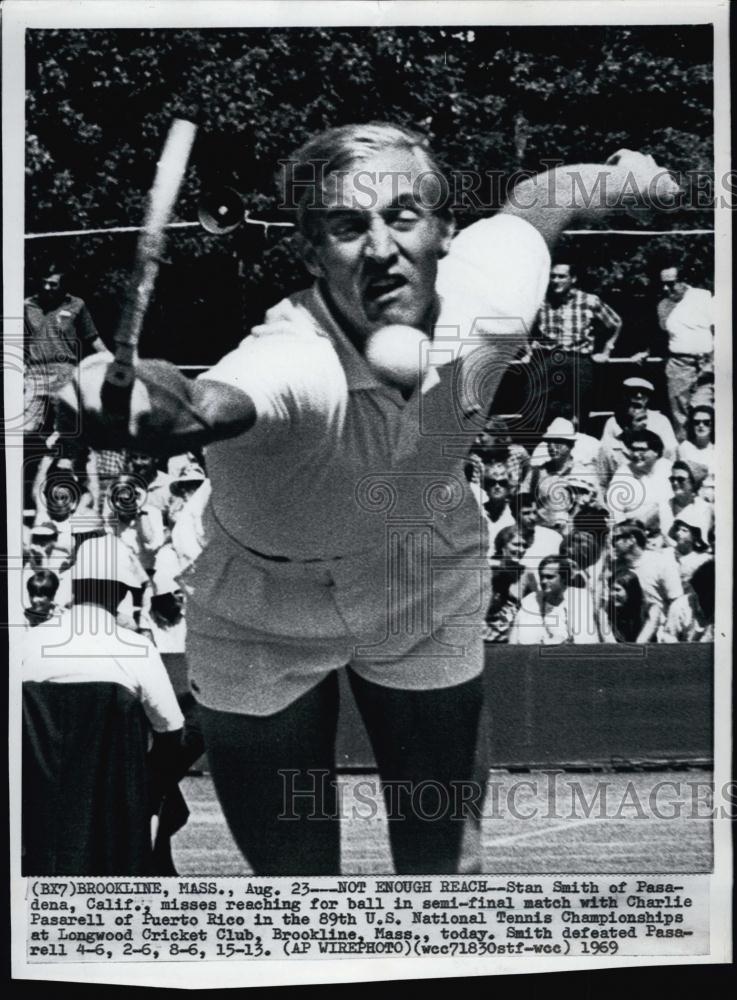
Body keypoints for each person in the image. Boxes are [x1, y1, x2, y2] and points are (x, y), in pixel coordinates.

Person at [64, 124, 679, 875]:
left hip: (421, 569)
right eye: (348, 227)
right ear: (309, 250)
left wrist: (622, 177)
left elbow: (538, 204)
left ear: (446, 230)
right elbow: (198, 402)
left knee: (445, 875)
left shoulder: (488, 295)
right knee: (298, 897)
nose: (381, 245)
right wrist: (127, 397)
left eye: (402, 215)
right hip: (260, 606)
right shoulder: (291, 363)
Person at [531, 259, 622, 425]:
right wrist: (527, 348)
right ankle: (539, 448)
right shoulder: (541, 301)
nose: (556, 281)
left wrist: (607, 350)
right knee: (538, 407)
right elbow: (522, 326)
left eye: (561, 276)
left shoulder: (589, 300)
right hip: (549, 358)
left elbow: (615, 323)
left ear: (573, 279)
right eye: (552, 276)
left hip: (579, 360)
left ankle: (579, 447)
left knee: (579, 411)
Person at [24, 266, 106, 436]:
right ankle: (25, 462)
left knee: (65, 429)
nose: (47, 288)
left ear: (64, 287)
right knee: (27, 427)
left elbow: (92, 337)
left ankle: (63, 462)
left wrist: (112, 360)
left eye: (53, 284)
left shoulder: (77, 305)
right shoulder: (27, 305)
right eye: (44, 283)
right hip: (35, 373)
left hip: (64, 373)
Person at [657, 264, 714, 440]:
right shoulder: (664, 305)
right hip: (679, 365)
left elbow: (720, 329)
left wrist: (712, 362)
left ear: (684, 282)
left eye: (671, 283)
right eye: (663, 284)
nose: (666, 288)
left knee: (704, 411)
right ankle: (684, 456)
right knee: (680, 415)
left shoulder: (703, 298)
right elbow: (660, 337)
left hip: (707, 364)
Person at [611, 518, 688, 642]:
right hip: (623, 633)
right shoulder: (613, 567)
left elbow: (676, 602)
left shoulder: (661, 563)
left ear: (631, 539)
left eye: (616, 539)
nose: (612, 544)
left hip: (657, 634)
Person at [597, 377, 678, 488]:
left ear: (648, 398)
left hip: (654, 481)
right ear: (625, 396)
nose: (639, 396)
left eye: (644, 393)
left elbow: (670, 455)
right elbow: (605, 457)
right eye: (633, 392)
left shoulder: (660, 421)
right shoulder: (613, 422)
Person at [508, 555, 600, 645]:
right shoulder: (530, 600)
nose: (543, 581)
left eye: (549, 577)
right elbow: (515, 641)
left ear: (564, 578)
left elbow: (585, 640)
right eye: (541, 576)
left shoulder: (580, 598)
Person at [605, 428, 673, 528]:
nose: (636, 454)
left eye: (642, 450)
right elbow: (615, 514)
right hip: (635, 532)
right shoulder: (622, 475)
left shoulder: (668, 468)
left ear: (656, 452)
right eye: (634, 449)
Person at [602, 569, 648, 644]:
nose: (612, 594)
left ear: (631, 592)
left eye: (617, 590)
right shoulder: (607, 612)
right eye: (611, 589)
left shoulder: (645, 614)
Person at [677, 404, 715, 486]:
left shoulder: (719, 448)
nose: (701, 425)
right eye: (696, 422)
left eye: (706, 422)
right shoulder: (684, 447)